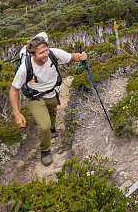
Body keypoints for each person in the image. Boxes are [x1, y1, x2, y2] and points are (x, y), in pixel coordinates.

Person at [10, 32, 88, 166]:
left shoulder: (53, 54)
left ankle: (52, 129)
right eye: (41, 53)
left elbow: (71, 58)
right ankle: (45, 150)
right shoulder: (25, 68)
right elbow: (14, 90)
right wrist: (17, 113)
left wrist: (81, 57)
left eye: (46, 50)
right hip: (35, 97)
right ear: (32, 55)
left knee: (52, 112)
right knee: (44, 126)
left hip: (53, 92)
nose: (45, 54)